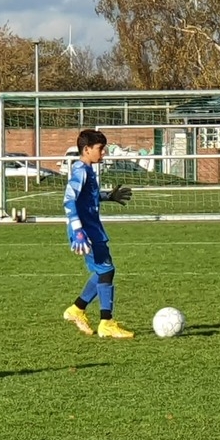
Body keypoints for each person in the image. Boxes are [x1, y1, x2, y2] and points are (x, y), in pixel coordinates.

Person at [61, 129, 135, 339]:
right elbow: (68, 200)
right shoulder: (80, 171)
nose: (103, 153)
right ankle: (106, 322)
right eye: (100, 149)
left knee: (103, 270)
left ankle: (77, 309)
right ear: (86, 149)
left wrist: (108, 196)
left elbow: (87, 197)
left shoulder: (87, 169)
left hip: (91, 227)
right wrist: (78, 231)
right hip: (85, 230)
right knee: (107, 270)